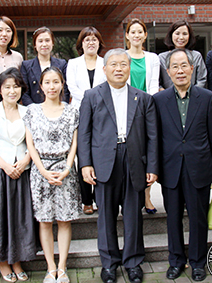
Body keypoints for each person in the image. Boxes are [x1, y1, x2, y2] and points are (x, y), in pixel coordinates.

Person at [78, 49, 158, 283]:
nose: (119, 68)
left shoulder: (142, 97)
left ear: (129, 68)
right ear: (105, 69)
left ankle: (133, 262)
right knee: (106, 216)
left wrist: (152, 166)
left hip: (134, 160)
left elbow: (152, 136)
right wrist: (85, 164)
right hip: (104, 162)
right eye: (114, 64)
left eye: (124, 64)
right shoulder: (91, 96)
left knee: (133, 215)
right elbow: (84, 133)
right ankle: (110, 264)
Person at [153, 49, 212, 282]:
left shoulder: (207, 97)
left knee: (198, 218)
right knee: (172, 218)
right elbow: (156, 137)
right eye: (175, 67)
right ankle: (176, 261)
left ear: (192, 69)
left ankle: (198, 262)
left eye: (184, 66)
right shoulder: (158, 100)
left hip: (199, 167)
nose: (180, 71)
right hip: (170, 168)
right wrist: (155, 166)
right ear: (168, 71)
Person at [23, 67, 81, 283]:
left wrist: (67, 168)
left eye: (55, 82)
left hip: (65, 170)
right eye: (47, 82)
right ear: (40, 85)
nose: (51, 87)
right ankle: (50, 267)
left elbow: (75, 142)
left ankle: (63, 267)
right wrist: (42, 170)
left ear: (62, 84)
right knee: (45, 221)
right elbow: (30, 144)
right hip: (41, 172)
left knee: (64, 220)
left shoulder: (72, 111)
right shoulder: (32, 111)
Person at [0, 68, 37, 282]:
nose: (12, 91)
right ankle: (3, 262)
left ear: (21, 89)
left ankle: (18, 260)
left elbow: (33, 142)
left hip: (23, 170)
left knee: (21, 216)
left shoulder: (28, 112)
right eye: (7, 87)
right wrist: (5, 165)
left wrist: (24, 161)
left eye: (15, 86)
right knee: (0, 216)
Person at [66, 26, 107, 215]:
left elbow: (108, 87)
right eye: (86, 39)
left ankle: (99, 197)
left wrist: (96, 105)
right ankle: (86, 200)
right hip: (79, 113)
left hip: (103, 114)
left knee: (99, 156)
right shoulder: (73, 63)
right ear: (81, 44)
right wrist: (89, 103)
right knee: (83, 156)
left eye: (94, 39)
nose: (91, 42)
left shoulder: (105, 62)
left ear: (99, 43)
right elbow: (72, 87)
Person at [125, 18, 160, 215]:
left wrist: (149, 106)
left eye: (140, 32)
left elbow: (154, 84)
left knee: (149, 152)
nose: (137, 35)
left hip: (147, 107)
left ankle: (147, 197)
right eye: (133, 31)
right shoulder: (123, 56)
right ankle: (131, 196)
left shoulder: (153, 58)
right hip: (127, 108)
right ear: (127, 35)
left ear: (145, 35)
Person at [22, 27, 70, 105]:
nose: (44, 44)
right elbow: (24, 93)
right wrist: (35, 110)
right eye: (40, 41)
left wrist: (61, 108)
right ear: (35, 44)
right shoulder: (26, 66)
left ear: (52, 43)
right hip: (35, 112)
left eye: (47, 40)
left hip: (58, 110)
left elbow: (65, 91)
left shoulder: (62, 64)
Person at [158, 20, 207, 90]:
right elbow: (157, 82)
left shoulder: (196, 56)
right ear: (171, 35)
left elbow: (202, 80)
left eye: (185, 34)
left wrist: (193, 95)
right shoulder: (162, 58)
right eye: (177, 33)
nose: (181, 37)